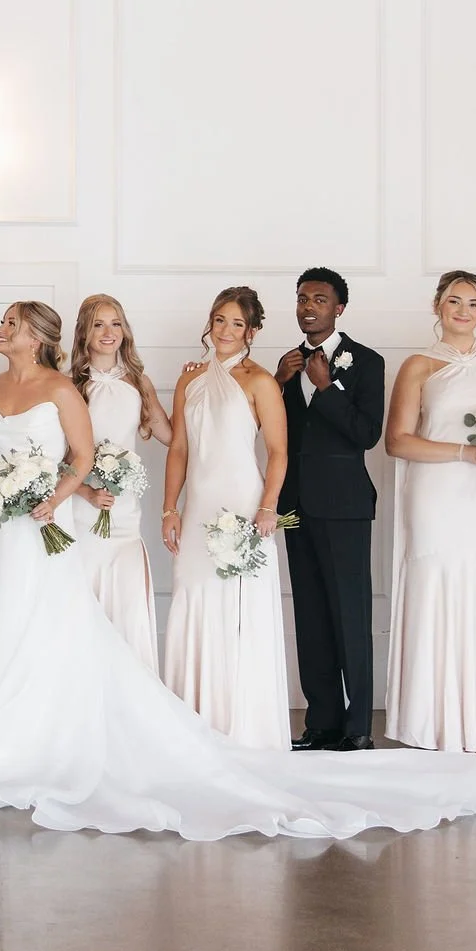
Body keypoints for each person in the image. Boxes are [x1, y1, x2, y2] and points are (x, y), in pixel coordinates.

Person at [0, 301, 476, 841]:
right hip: (3, 528)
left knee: (54, 623)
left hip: (105, 516)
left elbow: (105, 452)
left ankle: (71, 732)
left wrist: (60, 495)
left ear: (39, 336)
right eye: (217, 320)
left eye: (10, 322)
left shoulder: (81, 388)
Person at [384, 270, 476, 757]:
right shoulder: (418, 366)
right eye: (454, 301)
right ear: (437, 307)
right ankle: (436, 724)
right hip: (438, 494)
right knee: (438, 593)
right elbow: (398, 441)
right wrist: (466, 453)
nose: (463, 310)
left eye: (473, 302)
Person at [160, 287, 291, 748]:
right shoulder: (189, 380)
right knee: (193, 597)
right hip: (198, 507)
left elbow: (277, 452)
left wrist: (268, 507)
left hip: (241, 505)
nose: (226, 331)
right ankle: (193, 722)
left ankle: (241, 728)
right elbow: (178, 448)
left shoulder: (260, 382)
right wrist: (170, 508)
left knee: (238, 607)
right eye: (219, 320)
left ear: (252, 331)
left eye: (237, 324)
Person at [272, 268, 385, 753]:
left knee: (350, 616)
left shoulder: (367, 361)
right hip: (294, 504)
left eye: (319, 298)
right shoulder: (287, 364)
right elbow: (275, 434)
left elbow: (366, 433)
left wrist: (327, 389)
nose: (308, 306)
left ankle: (357, 727)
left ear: (340, 307)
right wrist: (280, 383)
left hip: (344, 506)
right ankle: (321, 723)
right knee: (311, 615)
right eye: (301, 298)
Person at [68, 295, 170, 669]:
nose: (108, 332)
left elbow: (173, 437)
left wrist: (194, 381)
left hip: (124, 515)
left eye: (115, 323)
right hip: (82, 513)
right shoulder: (71, 386)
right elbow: (56, 458)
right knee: (85, 602)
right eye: (98, 324)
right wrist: (85, 491)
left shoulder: (139, 383)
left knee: (125, 604)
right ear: (85, 332)